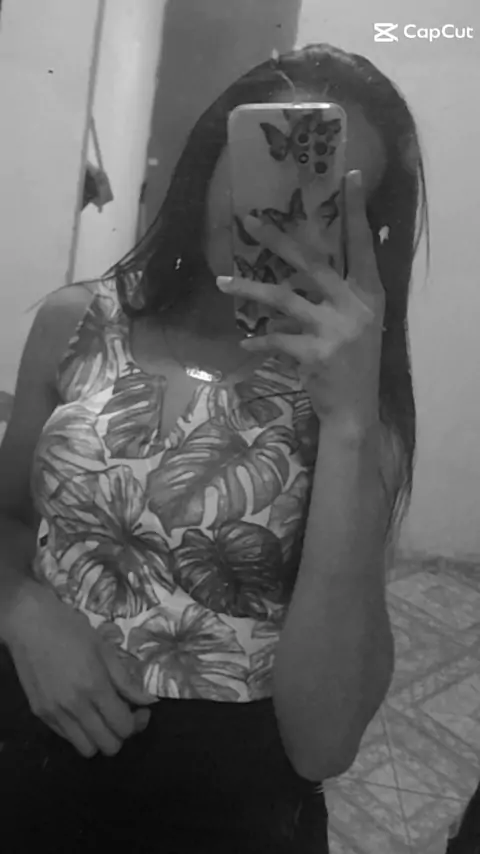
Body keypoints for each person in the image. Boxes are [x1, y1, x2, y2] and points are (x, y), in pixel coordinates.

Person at [0, 43, 428, 853]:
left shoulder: (357, 406)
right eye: (267, 166)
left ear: (365, 232)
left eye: (326, 198)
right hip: (29, 744)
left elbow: (324, 742)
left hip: (228, 809)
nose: (284, 216)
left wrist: (348, 424)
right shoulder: (77, 321)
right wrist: (22, 610)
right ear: (209, 165)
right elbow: (8, 520)